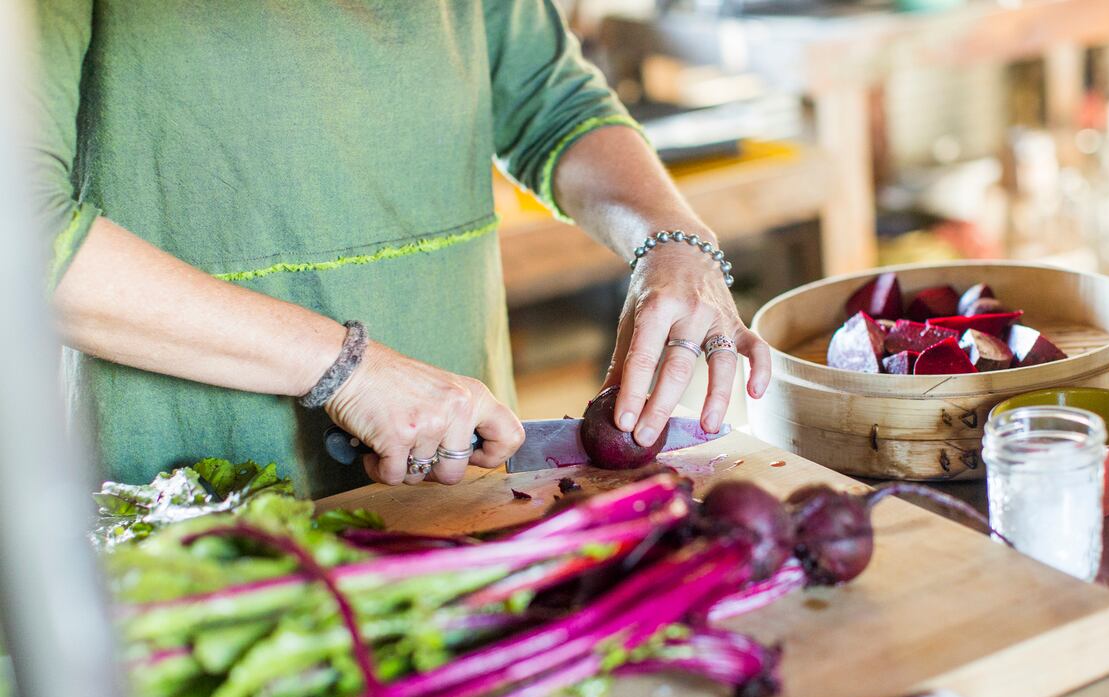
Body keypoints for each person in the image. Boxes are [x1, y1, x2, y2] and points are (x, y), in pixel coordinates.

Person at [32, 0, 771, 497]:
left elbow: (550, 101)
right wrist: (346, 371)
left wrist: (672, 241)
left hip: (448, 469)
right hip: (166, 480)